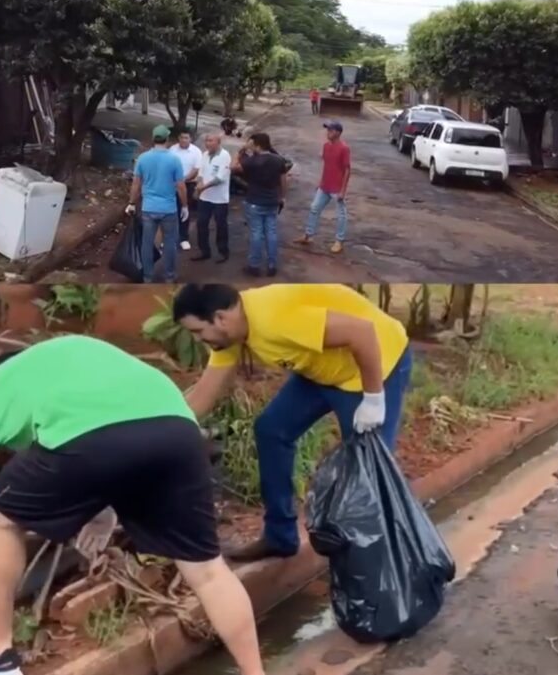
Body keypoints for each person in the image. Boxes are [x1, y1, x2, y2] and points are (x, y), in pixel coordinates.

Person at [0, 336, 265, 675]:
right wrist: (99, 512)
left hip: (94, 438)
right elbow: (117, 440)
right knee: (208, 571)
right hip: (178, 430)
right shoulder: (76, 357)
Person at [173, 283, 412, 563]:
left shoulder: (275, 318)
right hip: (321, 372)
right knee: (272, 430)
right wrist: (163, 430)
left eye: (198, 331)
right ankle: (280, 537)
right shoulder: (230, 333)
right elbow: (203, 395)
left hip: (373, 367)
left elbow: (362, 332)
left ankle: (382, 560)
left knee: (368, 464)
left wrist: (373, 397)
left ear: (220, 318)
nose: (200, 339)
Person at [126, 125, 188, 283]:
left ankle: (148, 276)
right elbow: (181, 186)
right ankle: (169, 276)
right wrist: (185, 205)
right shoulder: (174, 159)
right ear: (167, 139)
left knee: (147, 243)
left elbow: (136, 184)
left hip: (149, 208)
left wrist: (132, 203)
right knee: (170, 243)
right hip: (168, 209)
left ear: (153, 139)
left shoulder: (143, 158)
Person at [231, 132, 287, 278]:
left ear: (256, 144)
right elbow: (283, 180)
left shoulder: (252, 161)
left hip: (255, 201)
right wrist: (282, 197)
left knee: (256, 233)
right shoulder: (278, 160)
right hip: (272, 201)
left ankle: (254, 266)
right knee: (271, 233)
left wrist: (240, 151)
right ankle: (272, 265)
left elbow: (233, 167)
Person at [295, 120, 351, 255]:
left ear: (337, 133)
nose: (328, 133)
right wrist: (320, 182)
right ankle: (308, 235)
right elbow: (327, 166)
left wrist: (343, 190)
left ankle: (339, 241)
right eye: (328, 130)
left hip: (337, 188)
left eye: (331, 130)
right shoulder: (326, 146)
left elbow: (347, 170)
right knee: (314, 208)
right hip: (324, 186)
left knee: (340, 215)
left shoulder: (344, 148)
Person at [192, 133, 232, 264]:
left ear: (218, 142)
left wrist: (203, 187)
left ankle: (223, 251)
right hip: (205, 198)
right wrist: (199, 183)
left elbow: (220, 178)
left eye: (210, 141)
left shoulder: (225, 156)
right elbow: (200, 173)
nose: (207, 143)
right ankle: (204, 251)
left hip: (220, 199)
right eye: (206, 141)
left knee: (221, 225)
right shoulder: (204, 155)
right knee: (201, 224)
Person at [169, 130, 203, 251]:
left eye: (186, 138)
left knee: (184, 210)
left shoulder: (196, 152)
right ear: (178, 138)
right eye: (182, 137)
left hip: (187, 184)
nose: (184, 140)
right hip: (172, 184)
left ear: (190, 139)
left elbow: (196, 168)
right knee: (171, 211)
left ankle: (184, 238)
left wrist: (183, 179)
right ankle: (169, 238)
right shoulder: (172, 149)